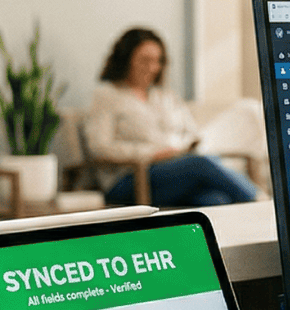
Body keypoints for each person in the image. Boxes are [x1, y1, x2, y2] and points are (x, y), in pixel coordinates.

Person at [85, 27, 258, 208]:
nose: (152, 68)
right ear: (125, 59)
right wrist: (153, 154)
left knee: (215, 200)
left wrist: (181, 148)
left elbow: (192, 133)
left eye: (157, 61)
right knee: (202, 164)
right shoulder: (106, 96)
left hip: (177, 172)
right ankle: (260, 203)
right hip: (132, 179)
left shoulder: (166, 96)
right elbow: (100, 148)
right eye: (144, 60)